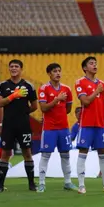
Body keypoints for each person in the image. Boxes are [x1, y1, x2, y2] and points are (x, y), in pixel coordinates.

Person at [75, 56, 104, 194]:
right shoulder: (80, 82)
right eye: (91, 63)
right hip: (86, 124)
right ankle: (81, 185)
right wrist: (96, 92)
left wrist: (99, 93)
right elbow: (85, 101)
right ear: (85, 68)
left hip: (100, 124)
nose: (94, 65)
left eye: (95, 63)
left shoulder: (103, 84)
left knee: (103, 153)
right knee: (83, 152)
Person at [0, 59, 38, 192]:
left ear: (21, 69)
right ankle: (0, 185)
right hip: (8, 125)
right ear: (9, 69)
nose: (13, 68)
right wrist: (14, 95)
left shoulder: (29, 86)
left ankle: (31, 184)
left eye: (16, 66)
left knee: (27, 152)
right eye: (11, 66)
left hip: (24, 125)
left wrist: (23, 113)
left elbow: (34, 106)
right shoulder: (2, 85)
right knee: (5, 153)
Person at [37, 63, 77, 192]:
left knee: (65, 155)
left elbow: (68, 109)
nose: (58, 73)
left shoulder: (66, 89)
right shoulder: (44, 89)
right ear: (49, 73)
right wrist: (56, 99)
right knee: (45, 155)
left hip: (63, 128)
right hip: (49, 128)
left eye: (59, 71)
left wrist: (57, 105)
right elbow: (43, 108)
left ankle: (67, 182)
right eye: (55, 71)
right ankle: (42, 183)